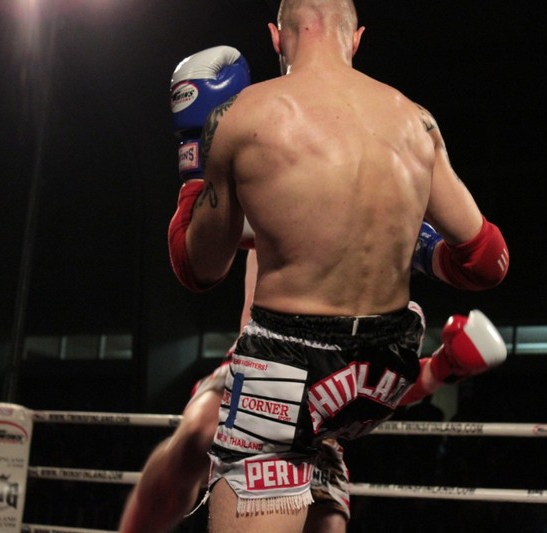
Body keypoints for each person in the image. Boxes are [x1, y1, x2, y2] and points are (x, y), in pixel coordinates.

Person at [168, 1, 509, 530]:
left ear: (276, 37)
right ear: (355, 39)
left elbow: (199, 269)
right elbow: (487, 264)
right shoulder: (416, 121)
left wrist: (195, 155)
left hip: (285, 381)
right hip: (380, 375)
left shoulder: (242, 116)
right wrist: (421, 248)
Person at [118, 247, 507, 533]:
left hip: (318, 414)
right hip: (259, 370)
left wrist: (441, 369)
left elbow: (374, 385)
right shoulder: (278, 185)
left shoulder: (384, 246)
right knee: (200, 430)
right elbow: (199, 255)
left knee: (328, 524)